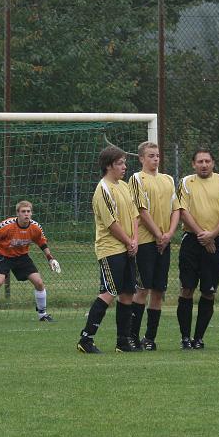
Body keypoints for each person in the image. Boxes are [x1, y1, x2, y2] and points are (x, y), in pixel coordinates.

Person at [77, 145, 141, 354]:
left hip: (127, 247)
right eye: (120, 163)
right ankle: (86, 340)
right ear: (108, 166)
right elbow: (111, 224)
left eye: (124, 162)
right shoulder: (103, 189)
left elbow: (134, 216)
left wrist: (134, 241)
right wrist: (128, 241)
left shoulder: (123, 186)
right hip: (111, 249)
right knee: (109, 292)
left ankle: (122, 342)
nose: (124, 166)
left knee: (127, 294)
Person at [176, 148, 219, 349]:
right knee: (187, 289)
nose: (204, 165)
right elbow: (182, 211)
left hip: (215, 241)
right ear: (193, 164)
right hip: (191, 241)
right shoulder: (186, 182)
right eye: (200, 161)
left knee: (208, 291)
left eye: (207, 161)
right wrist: (202, 235)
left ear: (213, 163)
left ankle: (198, 338)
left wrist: (212, 234)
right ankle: (185, 338)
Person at [128, 141, 182, 350]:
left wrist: (168, 234)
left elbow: (176, 208)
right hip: (146, 242)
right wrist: (159, 234)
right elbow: (141, 210)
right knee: (142, 288)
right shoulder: (137, 179)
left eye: (157, 155)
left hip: (164, 242)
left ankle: (150, 338)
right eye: (151, 156)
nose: (155, 159)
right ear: (141, 158)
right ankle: (132, 336)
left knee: (158, 291)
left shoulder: (168, 179)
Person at [0, 200, 61, 323]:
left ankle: (43, 314)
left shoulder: (35, 227)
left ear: (31, 213)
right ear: (17, 214)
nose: (26, 214)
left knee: (39, 283)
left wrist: (50, 258)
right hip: (4, 255)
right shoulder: (7, 225)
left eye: (28, 211)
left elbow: (42, 243)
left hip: (22, 257)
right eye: (23, 211)